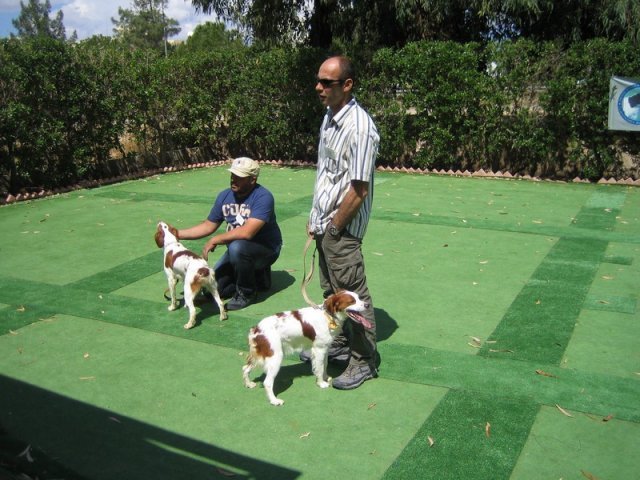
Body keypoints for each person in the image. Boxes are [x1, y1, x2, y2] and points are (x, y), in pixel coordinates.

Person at [303, 55, 380, 390]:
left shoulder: (360, 128)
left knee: (354, 297)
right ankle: (340, 342)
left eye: (327, 83)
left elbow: (359, 190)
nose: (319, 88)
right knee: (330, 291)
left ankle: (364, 361)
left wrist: (335, 227)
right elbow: (327, 175)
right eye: (318, 81)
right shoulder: (329, 117)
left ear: (347, 85)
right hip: (325, 225)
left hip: (343, 229)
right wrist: (315, 219)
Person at [178, 157, 282, 310]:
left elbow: (247, 232)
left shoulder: (263, 197)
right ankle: (258, 276)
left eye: (239, 177)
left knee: (237, 247)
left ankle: (247, 293)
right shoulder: (224, 196)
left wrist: (216, 239)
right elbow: (208, 226)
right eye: (232, 175)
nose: (234, 179)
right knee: (214, 290)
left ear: (252, 180)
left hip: (266, 249)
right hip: (238, 252)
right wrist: (177, 233)